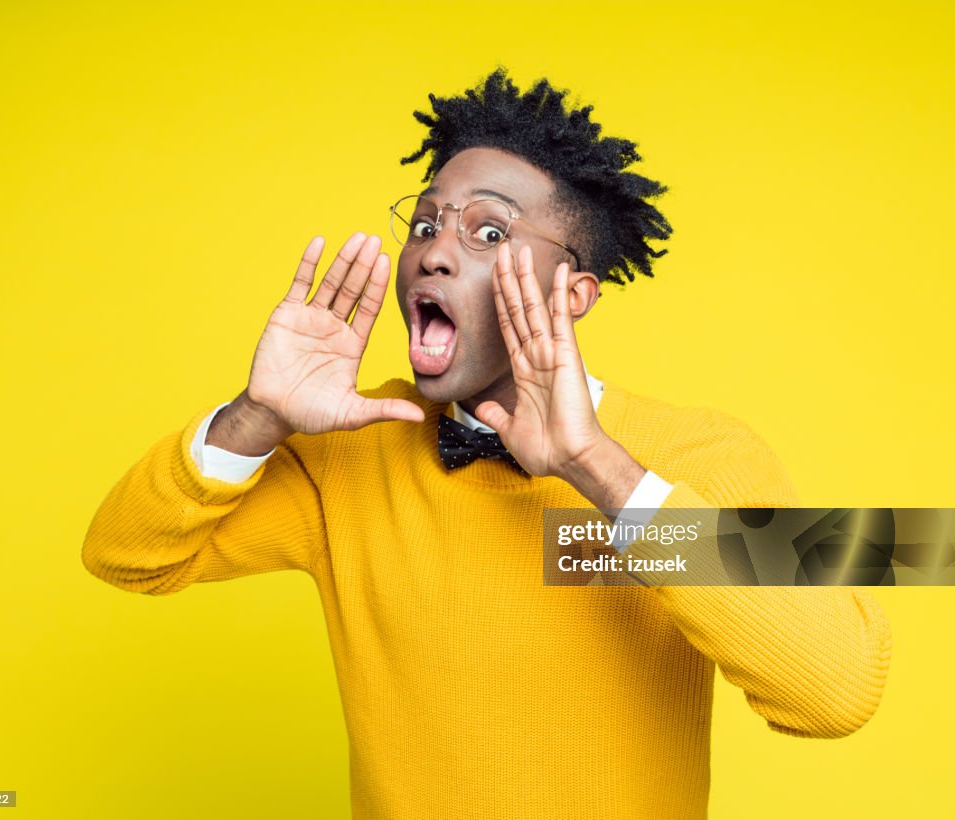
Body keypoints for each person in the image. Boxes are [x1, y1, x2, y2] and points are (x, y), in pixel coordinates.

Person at [82, 69, 891, 819]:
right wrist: (260, 414)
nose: (434, 248)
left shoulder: (707, 452)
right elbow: (125, 555)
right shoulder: (357, 454)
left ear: (573, 294)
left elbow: (836, 691)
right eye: (427, 222)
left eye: (489, 233)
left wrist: (597, 471)